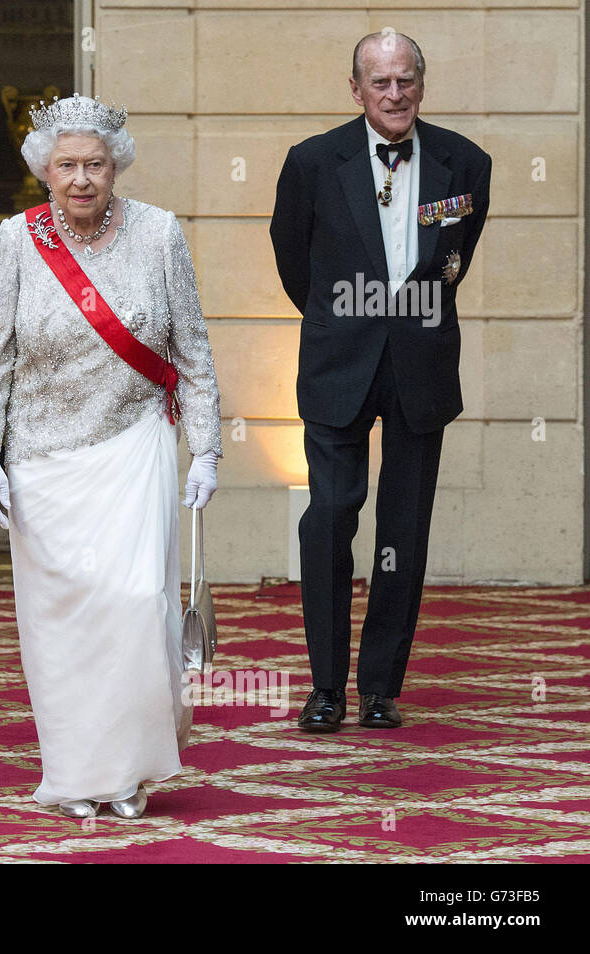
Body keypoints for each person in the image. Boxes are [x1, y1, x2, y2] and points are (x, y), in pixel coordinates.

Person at [0, 94, 222, 819]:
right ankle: (80, 774)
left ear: (118, 166)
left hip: (133, 445)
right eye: (67, 166)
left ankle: (132, 771)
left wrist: (205, 449)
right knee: (65, 628)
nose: (81, 180)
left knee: (138, 611)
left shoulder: (159, 234)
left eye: (96, 165)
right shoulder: (17, 240)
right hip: (43, 462)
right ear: (44, 170)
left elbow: (192, 353)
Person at [270, 32, 490, 733]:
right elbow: (292, 258)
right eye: (379, 82)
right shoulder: (311, 162)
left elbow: (456, 259)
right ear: (356, 88)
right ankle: (327, 688)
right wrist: (345, 321)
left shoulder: (467, 163)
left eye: (405, 81)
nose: (394, 94)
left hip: (420, 366)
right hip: (339, 364)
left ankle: (379, 688)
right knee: (331, 519)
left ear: (421, 84)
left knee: (404, 529)